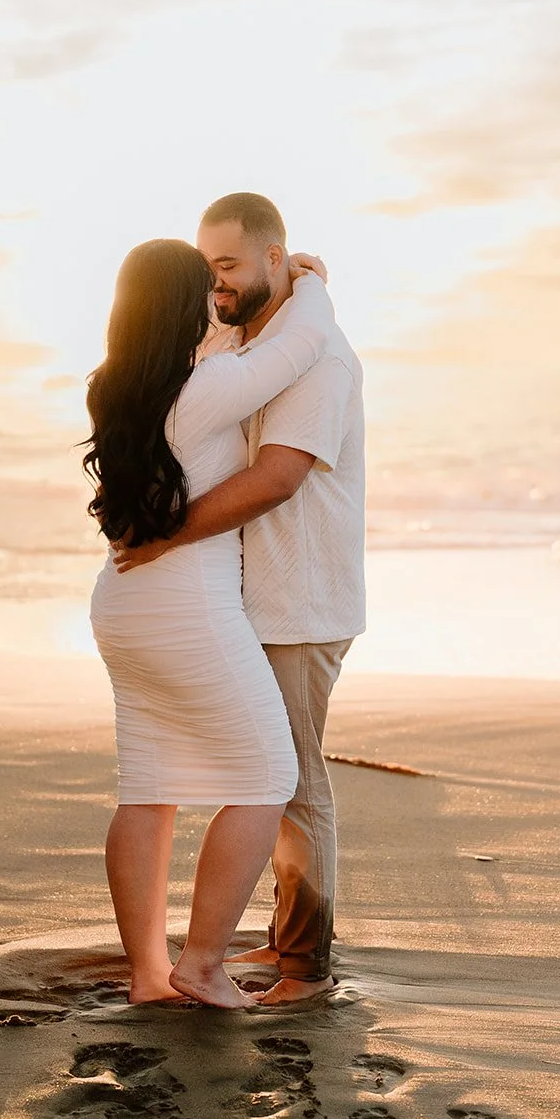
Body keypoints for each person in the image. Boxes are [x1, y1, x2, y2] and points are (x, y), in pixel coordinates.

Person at [113, 193, 366, 1004]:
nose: (213, 284)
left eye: (227, 266)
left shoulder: (316, 356)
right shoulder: (235, 343)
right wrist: (308, 288)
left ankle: (303, 968)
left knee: (289, 783)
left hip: (295, 595)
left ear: (272, 258)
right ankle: (259, 945)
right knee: (254, 776)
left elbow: (276, 478)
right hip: (227, 598)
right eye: (204, 269)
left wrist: (162, 535)